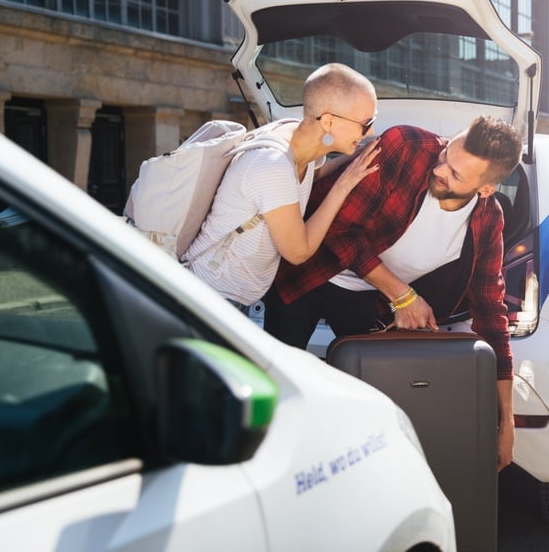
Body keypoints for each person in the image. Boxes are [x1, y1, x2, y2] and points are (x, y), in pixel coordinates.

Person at [263, 116, 522, 471]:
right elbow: (341, 233)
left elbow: (492, 313)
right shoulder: (406, 148)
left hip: (367, 300)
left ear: (486, 190)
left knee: (372, 407)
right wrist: (403, 296)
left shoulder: (488, 219)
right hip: (309, 274)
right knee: (276, 392)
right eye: (447, 152)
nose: (440, 168)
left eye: (456, 175)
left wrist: (506, 420)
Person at [184, 63, 381, 311]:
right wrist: (344, 185)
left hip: (230, 296)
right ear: (328, 122)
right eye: (366, 122)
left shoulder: (296, 136)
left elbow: (314, 172)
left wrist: (356, 156)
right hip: (211, 299)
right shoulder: (272, 165)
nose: (371, 130)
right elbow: (299, 252)